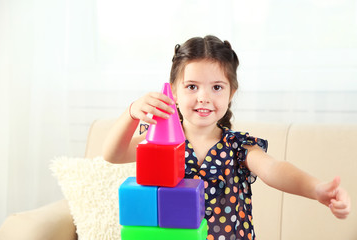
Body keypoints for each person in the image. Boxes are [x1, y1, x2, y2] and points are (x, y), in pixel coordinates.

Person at [103, 35, 351, 240]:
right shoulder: (160, 143)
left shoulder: (239, 146)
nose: (204, 97)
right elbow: (112, 154)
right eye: (192, 86)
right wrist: (131, 112)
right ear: (174, 91)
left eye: (217, 87)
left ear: (231, 92)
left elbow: (275, 169)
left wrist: (316, 188)